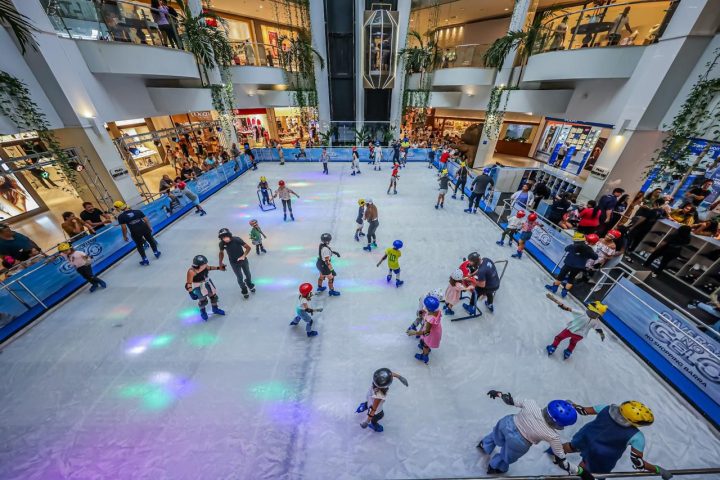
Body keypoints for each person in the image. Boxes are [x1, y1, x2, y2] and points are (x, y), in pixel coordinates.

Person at [479, 392, 586, 477]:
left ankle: (485, 445)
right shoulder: (553, 436)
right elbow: (562, 460)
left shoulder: (531, 404)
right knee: (505, 457)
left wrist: (498, 394)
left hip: (506, 423)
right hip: (519, 443)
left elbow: (510, 400)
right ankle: (495, 467)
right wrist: (580, 471)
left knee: (495, 435)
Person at [560, 401, 672, 479]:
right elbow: (638, 462)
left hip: (585, 437)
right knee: (585, 468)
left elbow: (582, 410)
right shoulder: (637, 437)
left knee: (570, 446)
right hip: (601, 455)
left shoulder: (606, 408)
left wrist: (572, 405)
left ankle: (555, 453)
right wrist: (659, 470)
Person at [356, 368, 409, 433]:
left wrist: (367, 421)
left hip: (376, 413)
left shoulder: (379, 395)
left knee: (373, 420)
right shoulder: (378, 380)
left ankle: (375, 425)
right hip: (370, 402)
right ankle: (365, 405)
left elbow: (373, 409)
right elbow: (389, 374)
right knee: (368, 403)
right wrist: (400, 377)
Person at [116, 201, 160, 266]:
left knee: (139, 245)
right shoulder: (137, 211)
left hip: (135, 232)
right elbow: (146, 220)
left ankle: (145, 259)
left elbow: (124, 228)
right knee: (150, 240)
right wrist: (150, 227)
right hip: (144, 228)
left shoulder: (121, 216)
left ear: (119, 208)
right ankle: (156, 253)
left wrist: (124, 236)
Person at [185, 254, 226, 321]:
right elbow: (188, 283)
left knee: (213, 296)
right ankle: (203, 312)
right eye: (204, 264)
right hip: (198, 286)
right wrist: (191, 292)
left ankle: (215, 308)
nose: (206, 264)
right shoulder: (191, 271)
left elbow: (209, 267)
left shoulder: (204, 266)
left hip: (207, 282)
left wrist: (219, 268)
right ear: (198, 265)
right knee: (203, 300)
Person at [217, 227, 255, 299]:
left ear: (229, 235)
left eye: (226, 236)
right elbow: (221, 253)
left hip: (243, 260)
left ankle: (249, 283)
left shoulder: (237, 239)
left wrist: (244, 256)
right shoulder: (222, 244)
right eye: (223, 237)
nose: (225, 238)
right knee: (239, 277)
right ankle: (244, 289)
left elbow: (248, 247)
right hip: (234, 263)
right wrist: (220, 262)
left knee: (248, 274)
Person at [406, 294, 442, 364]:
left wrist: (414, 332)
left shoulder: (430, 319)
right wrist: (424, 312)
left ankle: (424, 355)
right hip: (435, 330)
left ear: (429, 308)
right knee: (424, 342)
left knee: (425, 344)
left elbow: (426, 332)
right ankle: (426, 348)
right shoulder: (436, 310)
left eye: (426, 306)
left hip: (431, 334)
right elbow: (428, 313)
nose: (424, 307)